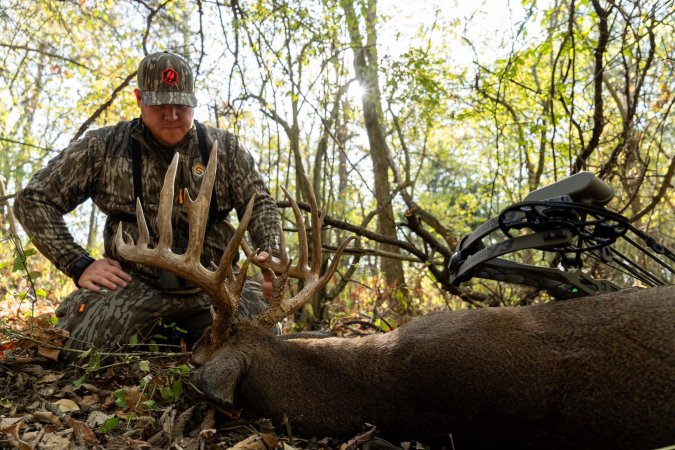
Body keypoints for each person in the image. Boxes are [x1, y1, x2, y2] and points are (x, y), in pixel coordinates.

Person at [13, 51, 281, 364]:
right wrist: (79, 263)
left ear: (194, 101)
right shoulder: (103, 147)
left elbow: (260, 202)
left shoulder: (225, 149)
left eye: (181, 103)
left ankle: (186, 339)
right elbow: (33, 200)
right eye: (159, 103)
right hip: (136, 284)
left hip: (216, 286)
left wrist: (270, 254)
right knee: (82, 356)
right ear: (139, 98)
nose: (172, 114)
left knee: (268, 348)